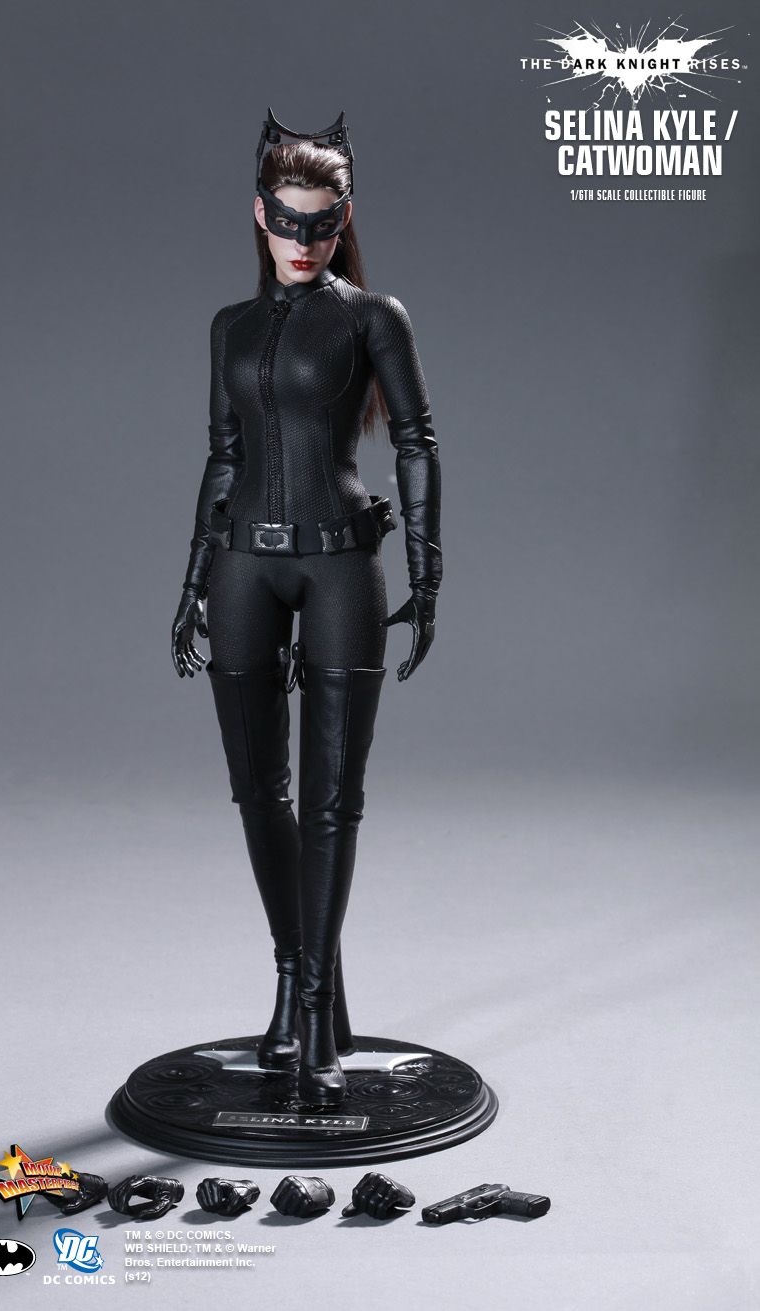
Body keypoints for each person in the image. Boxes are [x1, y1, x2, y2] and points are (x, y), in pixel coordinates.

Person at [171, 110, 442, 1106]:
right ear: (259, 214)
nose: (303, 241)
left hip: (339, 566)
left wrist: (429, 564)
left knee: (332, 799)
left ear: (344, 220)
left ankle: (317, 1003)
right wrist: (191, 577)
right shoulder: (230, 328)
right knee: (257, 790)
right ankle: (296, 975)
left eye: (322, 225)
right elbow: (224, 457)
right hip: (244, 564)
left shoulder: (373, 318)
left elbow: (415, 439)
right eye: (287, 221)